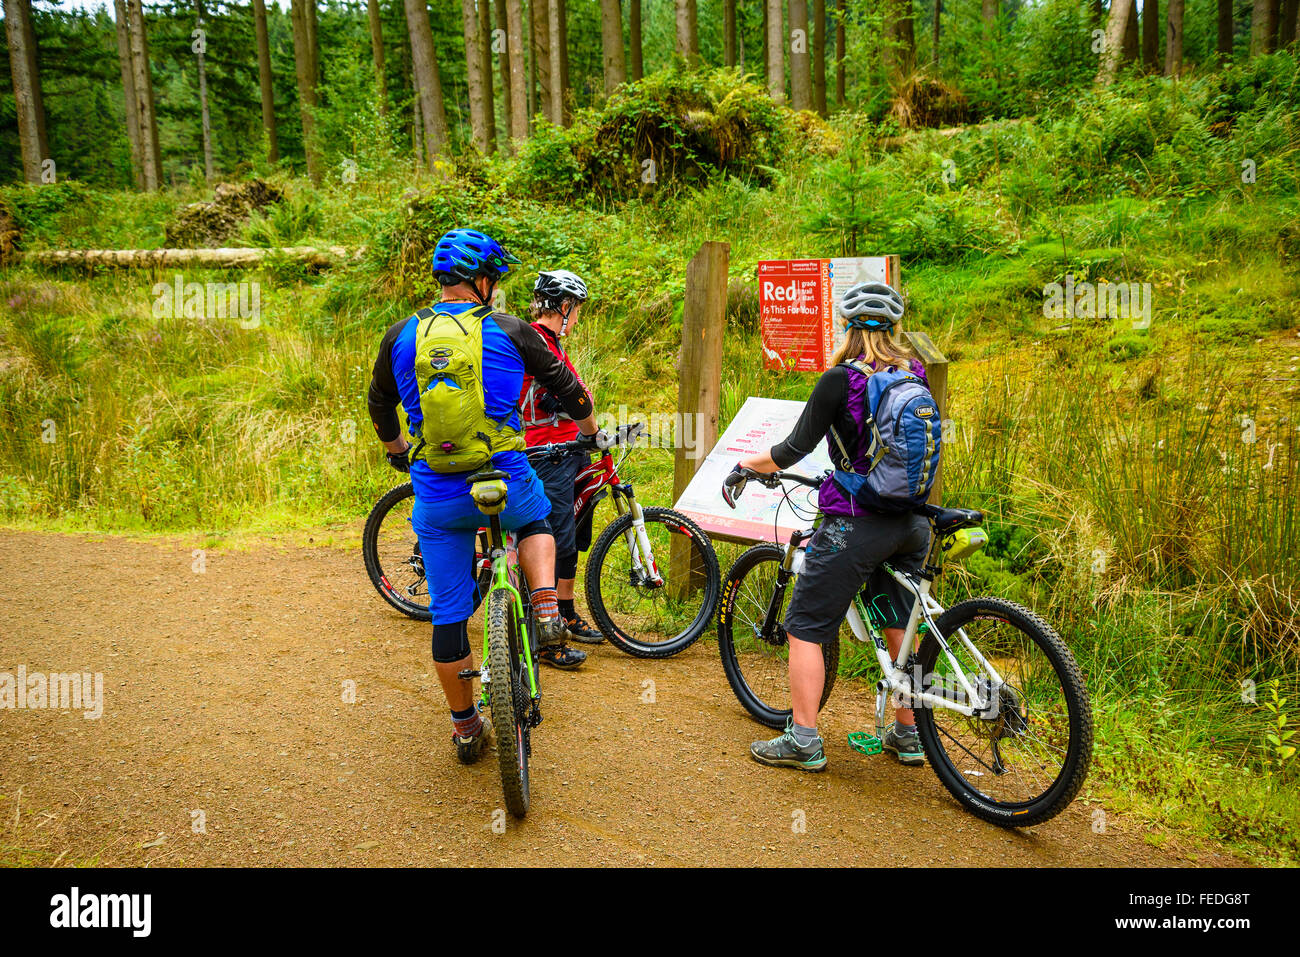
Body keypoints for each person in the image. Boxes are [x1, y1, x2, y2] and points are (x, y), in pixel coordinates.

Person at [367, 228, 602, 765]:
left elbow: (380, 405)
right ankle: (546, 609)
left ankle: (466, 727)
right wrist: (587, 432)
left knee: (449, 616)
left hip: (437, 491)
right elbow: (572, 392)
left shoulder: (401, 334)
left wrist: (398, 450)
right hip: (505, 479)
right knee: (538, 520)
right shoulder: (514, 330)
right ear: (482, 280)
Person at [737, 281, 931, 772]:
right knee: (898, 622)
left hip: (856, 524)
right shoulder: (917, 373)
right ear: (893, 328)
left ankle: (803, 739)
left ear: (846, 326)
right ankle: (908, 733)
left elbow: (791, 450)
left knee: (805, 625)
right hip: (911, 523)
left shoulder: (839, 380)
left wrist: (745, 465)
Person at [517, 269, 607, 648]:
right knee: (554, 538)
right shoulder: (535, 341)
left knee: (576, 530)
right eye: (578, 310)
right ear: (565, 306)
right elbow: (533, 398)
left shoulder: (553, 343)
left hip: (570, 448)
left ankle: (566, 611)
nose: (578, 317)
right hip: (547, 450)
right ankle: (544, 629)